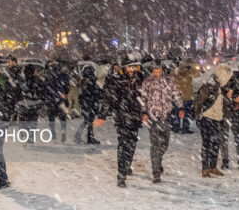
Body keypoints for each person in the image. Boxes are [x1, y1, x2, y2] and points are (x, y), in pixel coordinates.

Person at [94, 59, 144, 188]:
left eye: (134, 67)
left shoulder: (141, 78)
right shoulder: (116, 79)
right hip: (121, 116)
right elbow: (108, 98)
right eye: (130, 67)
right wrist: (102, 116)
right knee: (123, 143)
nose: (132, 70)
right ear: (125, 68)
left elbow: (146, 97)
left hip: (135, 117)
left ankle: (127, 165)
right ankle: (121, 175)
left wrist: (145, 112)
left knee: (132, 143)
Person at [140, 60, 184, 183]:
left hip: (167, 116)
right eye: (155, 71)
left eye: (159, 70)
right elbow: (143, 98)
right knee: (155, 145)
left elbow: (176, 94)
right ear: (152, 70)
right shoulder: (147, 81)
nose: (158, 73)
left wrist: (180, 107)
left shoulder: (169, 80)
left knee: (164, 144)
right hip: (153, 117)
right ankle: (156, 172)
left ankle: (158, 161)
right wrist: (144, 112)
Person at [194, 65, 233, 178]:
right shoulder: (210, 86)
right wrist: (198, 116)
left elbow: (222, 103)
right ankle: (205, 169)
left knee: (216, 144)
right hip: (207, 118)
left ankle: (213, 167)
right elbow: (198, 101)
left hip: (218, 119)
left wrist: (228, 99)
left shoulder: (220, 86)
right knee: (207, 144)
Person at [17, 64, 46, 143]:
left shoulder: (21, 80)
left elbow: (17, 91)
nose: (36, 71)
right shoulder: (37, 80)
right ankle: (30, 138)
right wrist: (41, 100)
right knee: (32, 122)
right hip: (34, 104)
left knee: (23, 122)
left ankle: (24, 136)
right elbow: (43, 91)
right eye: (35, 70)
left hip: (23, 104)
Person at [74, 65, 103, 144]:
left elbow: (81, 94)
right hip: (90, 103)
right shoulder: (91, 80)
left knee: (87, 121)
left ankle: (86, 137)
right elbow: (96, 92)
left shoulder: (83, 80)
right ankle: (87, 137)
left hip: (85, 103)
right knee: (89, 121)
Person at [45, 56, 70, 143]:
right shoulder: (64, 75)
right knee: (62, 118)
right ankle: (63, 133)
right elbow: (67, 86)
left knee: (51, 118)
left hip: (51, 99)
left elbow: (46, 87)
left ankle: (53, 135)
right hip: (61, 99)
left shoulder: (49, 74)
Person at [172, 59, 200, 134]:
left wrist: (191, 68)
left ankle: (183, 127)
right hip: (179, 97)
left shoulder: (188, 72)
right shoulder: (175, 72)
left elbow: (197, 74)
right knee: (178, 113)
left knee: (185, 113)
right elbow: (173, 78)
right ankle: (177, 127)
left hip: (186, 97)